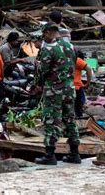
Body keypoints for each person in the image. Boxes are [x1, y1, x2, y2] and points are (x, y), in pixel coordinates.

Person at [35, 23, 80, 165]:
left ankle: (49, 155)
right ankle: (74, 153)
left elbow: (43, 71)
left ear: (48, 33)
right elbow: (72, 65)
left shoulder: (48, 48)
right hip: (69, 89)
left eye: (44, 35)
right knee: (70, 119)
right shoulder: (71, 47)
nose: (43, 38)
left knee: (51, 119)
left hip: (54, 90)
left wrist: (38, 83)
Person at [74, 51, 92, 118]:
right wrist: (88, 83)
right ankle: (78, 117)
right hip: (76, 86)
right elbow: (89, 69)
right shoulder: (77, 60)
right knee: (79, 103)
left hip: (67, 85)